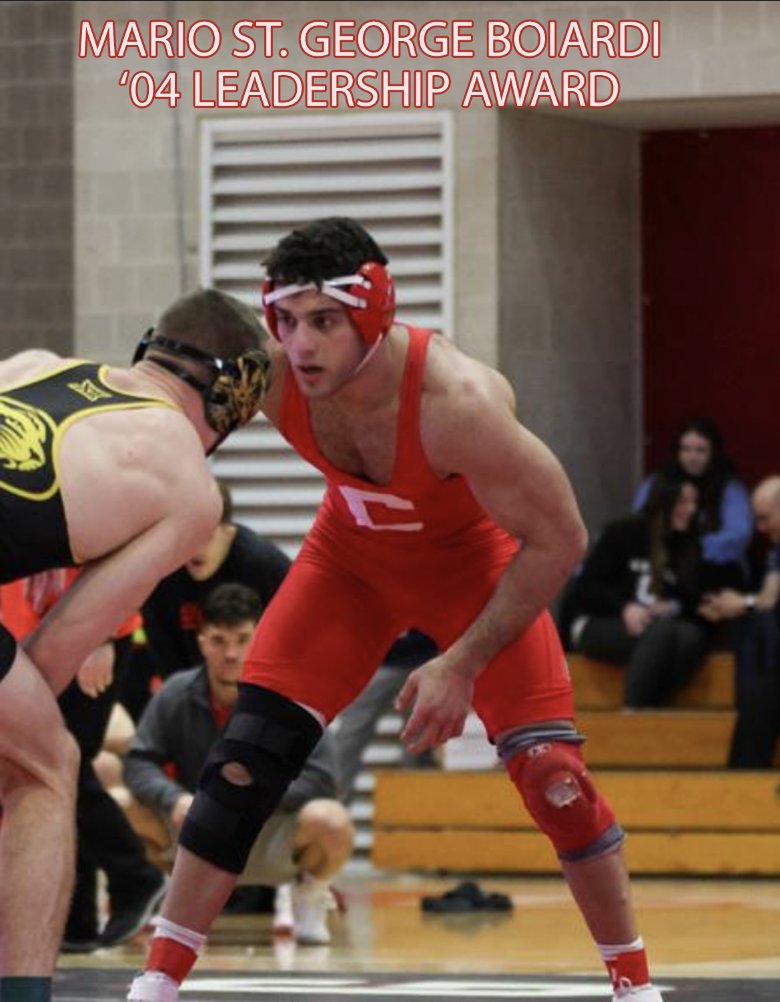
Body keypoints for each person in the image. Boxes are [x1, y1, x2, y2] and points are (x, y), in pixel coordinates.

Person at [127, 217, 664, 1002]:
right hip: (348, 565)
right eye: (285, 320)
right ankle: (157, 987)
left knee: (555, 779)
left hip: (471, 572)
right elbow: (153, 415)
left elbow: (560, 539)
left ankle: (634, 986)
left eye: (324, 321)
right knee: (242, 768)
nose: (299, 345)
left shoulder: (460, 403)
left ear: (374, 313)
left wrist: (462, 663)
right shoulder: (271, 372)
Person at [0, 287, 268, 1002]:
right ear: (235, 400)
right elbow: (55, 654)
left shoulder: (32, 365)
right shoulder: (188, 485)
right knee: (44, 765)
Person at [124, 583, 353, 945]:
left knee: (332, 821)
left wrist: (243, 799)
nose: (230, 653)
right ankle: (161, 888)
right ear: (201, 642)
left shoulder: (295, 694)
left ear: (261, 638)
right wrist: (175, 799)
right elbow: (138, 763)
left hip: (267, 826)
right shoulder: (175, 692)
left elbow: (323, 780)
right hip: (194, 826)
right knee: (121, 806)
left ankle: (307, 895)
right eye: (218, 640)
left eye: (243, 639)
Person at [0, 572, 166, 953]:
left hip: (96, 632)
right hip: (35, 635)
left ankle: (136, 877)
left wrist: (103, 637)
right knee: (55, 777)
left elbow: (115, 550)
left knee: (60, 769)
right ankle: (78, 920)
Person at [562, 475, 719, 708]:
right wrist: (625, 607)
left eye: (695, 503)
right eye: (683, 502)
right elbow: (586, 588)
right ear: (664, 501)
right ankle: (634, 712)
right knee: (662, 631)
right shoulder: (622, 533)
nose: (691, 510)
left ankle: (653, 710)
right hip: (599, 622)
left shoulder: (687, 545)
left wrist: (673, 605)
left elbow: (692, 596)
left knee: (691, 636)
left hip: (655, 631)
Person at [141, 480, 290, 681]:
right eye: (187, 536)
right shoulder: (162, 570)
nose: (194, 548)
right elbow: (163, 648)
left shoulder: (266, 567)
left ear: (229, 533)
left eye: (206, 537)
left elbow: (296, 640)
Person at [698, 475, 780, 768]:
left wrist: (743, 603)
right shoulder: (775, 554)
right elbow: (770, 597)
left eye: (764, 518)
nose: (760, 528)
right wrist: (741, 604)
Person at [633, 417, 752, 579]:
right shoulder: (657, 482)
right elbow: (639, 523)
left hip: (716, 568)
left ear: (713, 453)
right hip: (660, 563)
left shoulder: (730, 488)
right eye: (686, 450)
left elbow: (737, 535)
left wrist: (690, 551)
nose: (692, 457)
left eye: (700, 451)